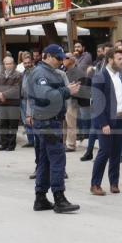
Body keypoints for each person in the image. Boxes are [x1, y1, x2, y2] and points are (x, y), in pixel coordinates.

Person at [28, 44, 81, 213]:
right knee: (58, 159)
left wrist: (66, 90)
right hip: (47, 121)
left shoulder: (50, 72)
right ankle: (59, 198)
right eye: (58, 58)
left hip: (50, 120)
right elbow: (45, 95)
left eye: (62, 58)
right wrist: (67, 90)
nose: (60, 61)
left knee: (45, 160)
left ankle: (40, 198)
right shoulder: (40, 73)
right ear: (48, 56)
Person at [90, 48, 122, 196]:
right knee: (104, 151)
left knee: (116, 153)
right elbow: (97, 102)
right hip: (106, 121)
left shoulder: (120, 76)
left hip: (120, 119)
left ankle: (114, 183)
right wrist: (103, 123)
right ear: (110, 60)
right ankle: (95, 184)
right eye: (119, 59)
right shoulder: (100, 77)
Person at [0, 56, 22, 151]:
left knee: (13, 125)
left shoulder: (18, 75)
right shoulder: (1, 74)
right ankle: (4, 144)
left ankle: (11, 145)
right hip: (3, 103)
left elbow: (16, 88)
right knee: (3, 124)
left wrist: (3, 94)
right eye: (6, 64)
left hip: (13, 103)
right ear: (4, 65)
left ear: (13, 64)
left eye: (10, 63)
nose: (8, 65)